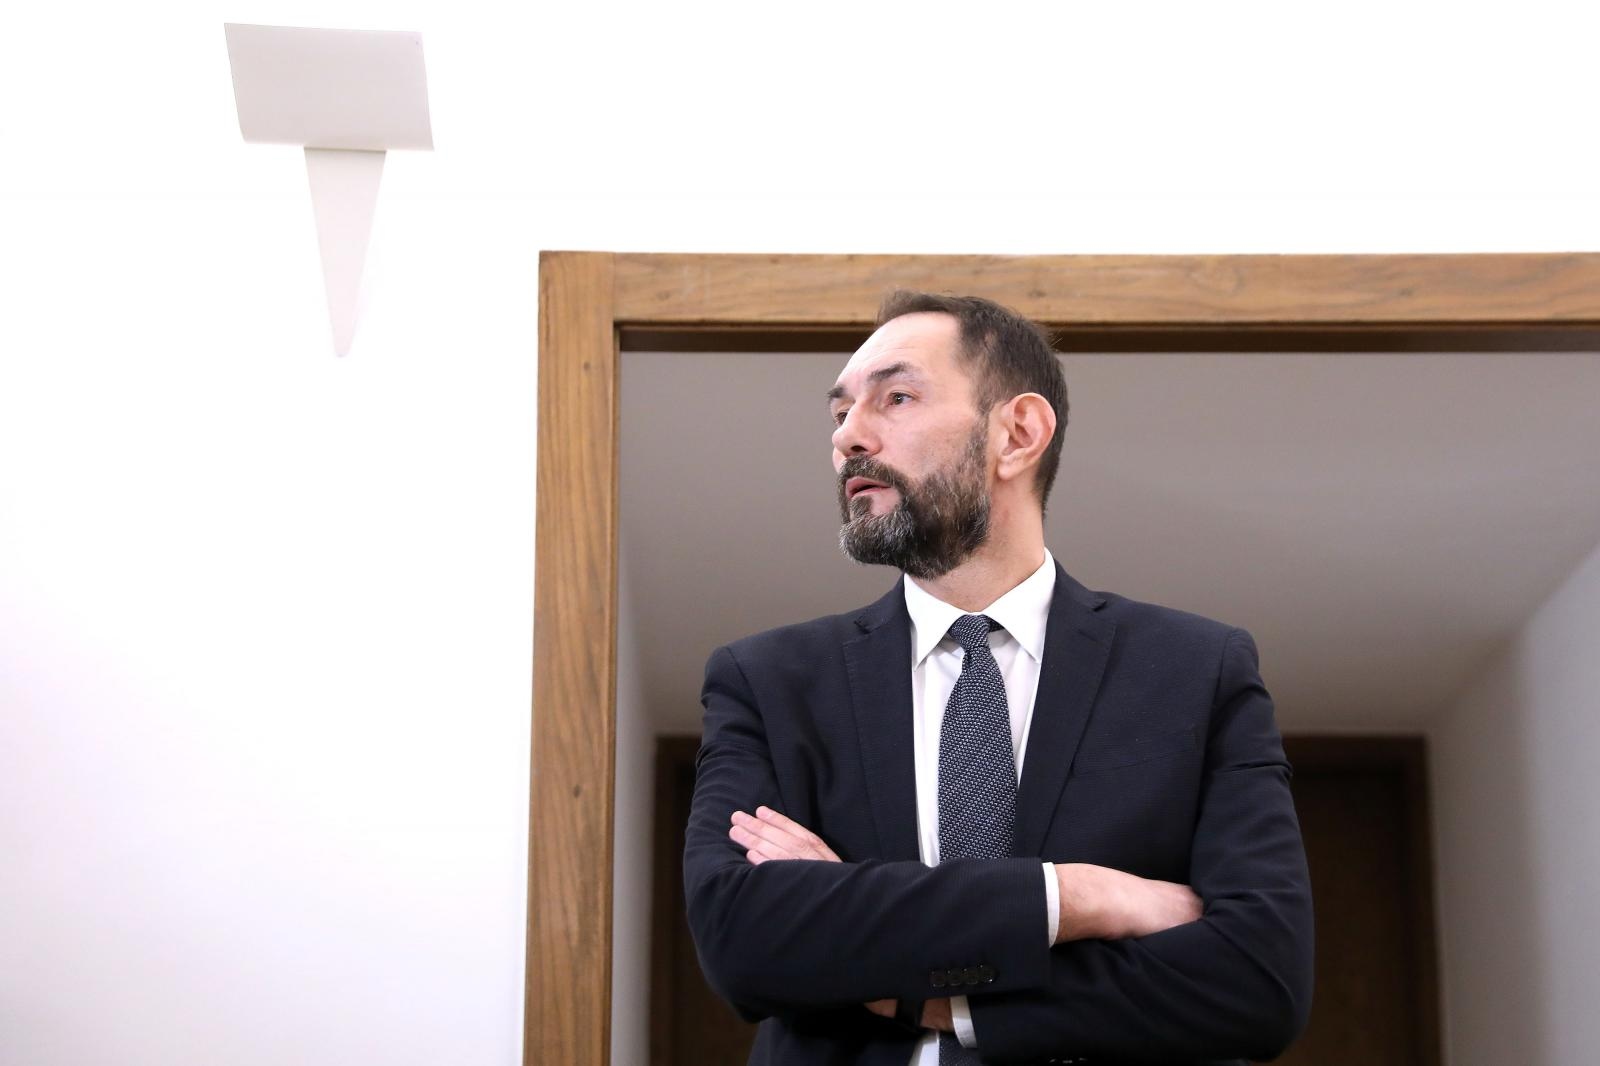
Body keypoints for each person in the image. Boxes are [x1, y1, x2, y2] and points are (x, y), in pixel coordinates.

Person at [683, 291, 1313, 1066]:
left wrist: (918, 991)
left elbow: (1258, 980)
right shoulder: (766, 682)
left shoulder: (1196, 669)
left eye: (896, 398)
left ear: (1017, 434)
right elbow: (741, 939)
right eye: (840, 413)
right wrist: (1077, 896)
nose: (848, 435)